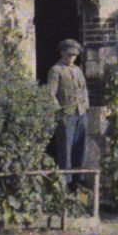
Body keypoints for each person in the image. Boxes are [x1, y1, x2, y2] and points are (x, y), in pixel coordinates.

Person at [47, 38, 90, 188]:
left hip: (81, 113)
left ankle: (79, 180)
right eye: (69, 54)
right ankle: (67, 182)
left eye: (74, 55)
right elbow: (50, 94)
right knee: (65, 149)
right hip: (66, 116)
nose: (72, 57)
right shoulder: (56, 70)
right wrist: (59, 112)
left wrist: (86, 108)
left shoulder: (78, 70)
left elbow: (84, 90)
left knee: (81, 146)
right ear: (62, 53)